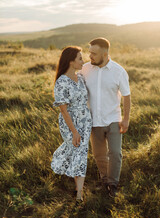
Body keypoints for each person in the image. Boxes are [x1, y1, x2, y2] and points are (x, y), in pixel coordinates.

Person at [80, 37, 131, 197]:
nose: (90, 56)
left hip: (113, 119)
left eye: (94, 53)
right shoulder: (85, 69)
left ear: (105, 53)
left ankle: (113, 184)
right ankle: (105, 181)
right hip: (94, 120)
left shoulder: (118, 71)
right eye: (89, 53)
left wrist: (126, 118)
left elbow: (126, 96)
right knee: (99, 154)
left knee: (115, 153)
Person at [51, 46, 92, 202]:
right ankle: (80, 195)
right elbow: (63, 111)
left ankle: (78, 190)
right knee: (78, 151)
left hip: (86, 120)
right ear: (71, 61)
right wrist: (74, 131)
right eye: (80, 58)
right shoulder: (61, 82)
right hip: (70, 123)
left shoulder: (80, 77)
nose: (83, 61)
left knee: (80, 152)